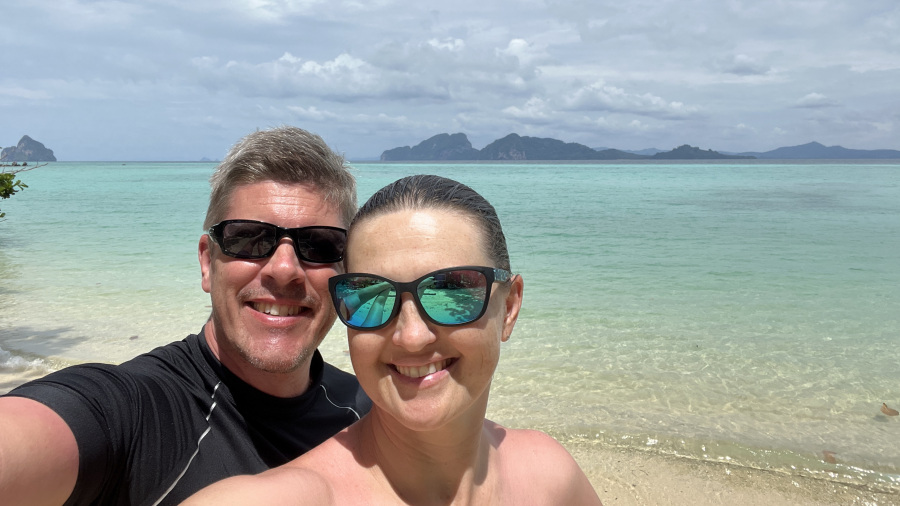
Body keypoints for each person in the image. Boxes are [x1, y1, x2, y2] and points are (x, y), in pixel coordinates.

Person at [0, 126, 371, 505]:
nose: (284, 269)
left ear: (346, 271)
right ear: (208, 263)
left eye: (320, 244)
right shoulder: (137, 413)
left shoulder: (373, 410)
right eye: (249, 238)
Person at [183, 175, 602, 505]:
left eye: (451, 292)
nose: (412, 337)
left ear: (508, 307)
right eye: (370, 296)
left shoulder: (550, 477)